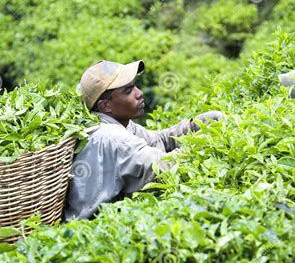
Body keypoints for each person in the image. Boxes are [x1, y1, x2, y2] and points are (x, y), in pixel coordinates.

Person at [64, 60, 224, 221]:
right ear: (105, 106)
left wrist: (192, 126)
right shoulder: (111, 137)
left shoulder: (116, 123)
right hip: (91, 228)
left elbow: (156, 140)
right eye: (128, 90)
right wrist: (208, 140)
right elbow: (162, 166)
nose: (139, 93)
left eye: (135, 85)